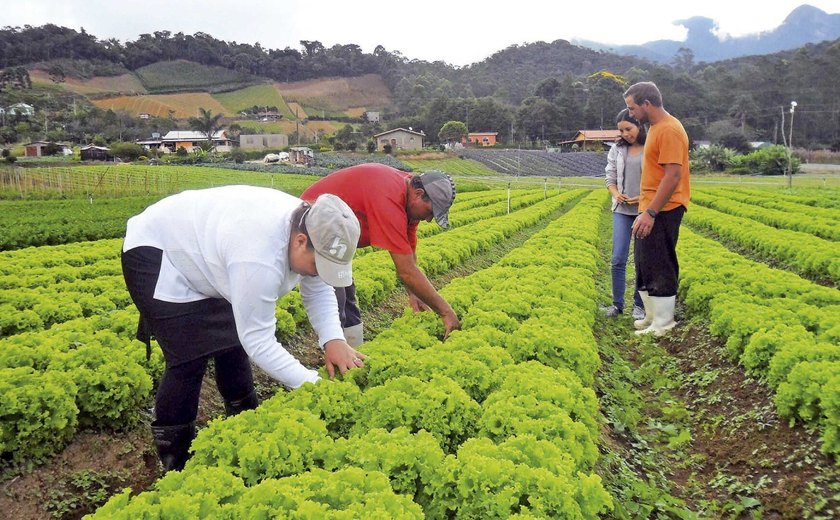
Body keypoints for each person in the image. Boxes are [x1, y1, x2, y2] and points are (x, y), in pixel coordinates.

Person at [121, 185, 363, 471]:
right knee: (188, 359)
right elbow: (259, 341)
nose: (319, 271)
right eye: (318, 264)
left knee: (232, 346)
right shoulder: (258, 256)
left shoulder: (311, 229)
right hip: (158, 250)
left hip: (212, 249)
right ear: (300, 241)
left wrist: (333, 338)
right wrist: (312, 384)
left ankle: (245, 424)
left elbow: (318, 287)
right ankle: (176, 460)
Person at [302, 163, 460, 346]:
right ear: (418, 194)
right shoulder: (389, 196)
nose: (429, 219)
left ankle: (353, 353)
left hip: (338, 236)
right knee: (334, 298)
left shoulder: (408, 201)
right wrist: (446, 312)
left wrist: (414, 292)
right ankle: (337, 356)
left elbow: (409, 255)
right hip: (314, 224)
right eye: (431, 211)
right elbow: (406, 271)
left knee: (346, 293)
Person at [624, 81, 691, 336]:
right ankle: (652, 318)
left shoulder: (670, 130)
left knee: (660, 261)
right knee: (645, 261)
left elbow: (673, 176)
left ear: (647, 104)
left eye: (632, 108)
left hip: (664, 208)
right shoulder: (654, 128)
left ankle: (664, 323)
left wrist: (651, 212)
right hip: (650, 207)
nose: (631, 113)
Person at [602, 108, 647, 321]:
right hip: (621, 210)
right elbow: (609, 176)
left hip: (643, 211)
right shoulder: (617, 149)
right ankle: (617, 305)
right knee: (618, 258)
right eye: (621, 130)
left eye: (628, 129)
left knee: (641, 260)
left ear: (639, 125)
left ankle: (639, 305)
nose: (625, 134)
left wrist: (642, 199)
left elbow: (658, 180)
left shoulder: (651, 146)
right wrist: (616, 194)